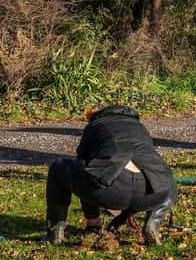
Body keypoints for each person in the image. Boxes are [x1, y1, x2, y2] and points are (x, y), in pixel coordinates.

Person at [44, 105, 177, 245]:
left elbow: (84, 166)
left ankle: (57, 233)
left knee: (59, 167)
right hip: (153, 194)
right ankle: (154, 220)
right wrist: (126, 214)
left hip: (111, 191)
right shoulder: (140, 128)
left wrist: (93, 217)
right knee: (168, 179)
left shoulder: (95, 125)